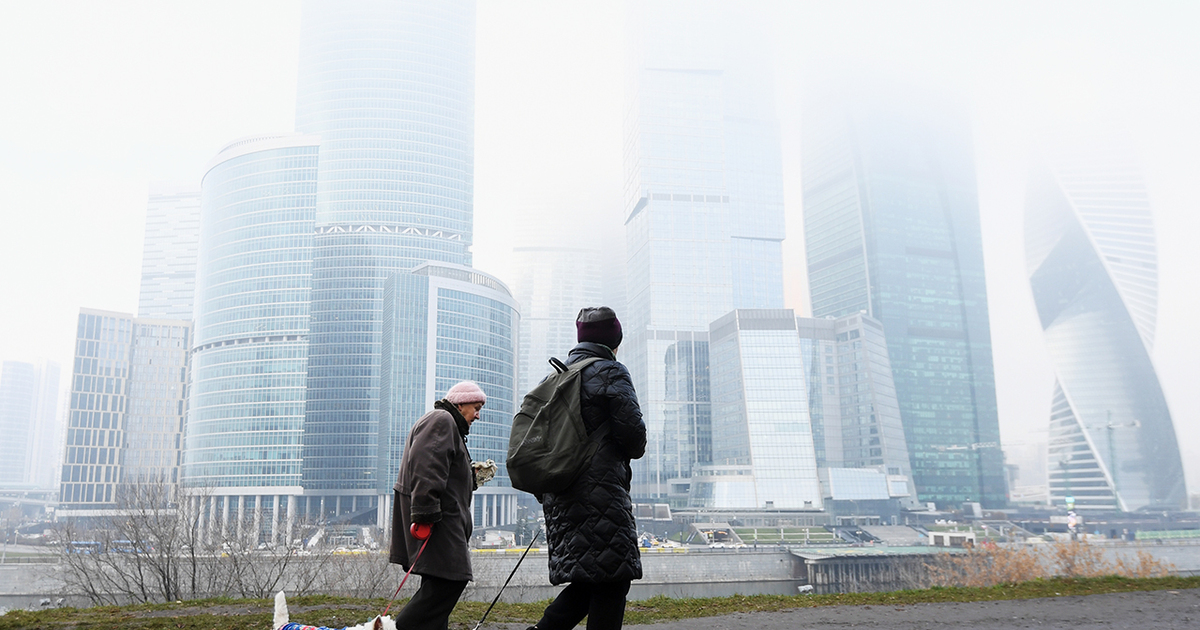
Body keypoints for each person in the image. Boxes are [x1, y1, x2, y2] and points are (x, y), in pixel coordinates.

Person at [529, 306, 647, 630]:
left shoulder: (554, 377)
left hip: (560, 495)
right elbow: (634, 438)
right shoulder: (611, 371)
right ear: (615, 340)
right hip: (600, 496)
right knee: (613, 578)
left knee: (589, 578)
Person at [390, 381, 486, 630]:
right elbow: (426, 467)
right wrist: (425, 513)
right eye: (476, 407)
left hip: (440, 519)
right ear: (461, 403)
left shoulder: (448, 425)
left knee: (437, 585)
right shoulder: (442, 420)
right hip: (438, 521)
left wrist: (471, 477)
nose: (478, 415)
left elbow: (441, 469)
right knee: (451, 581)